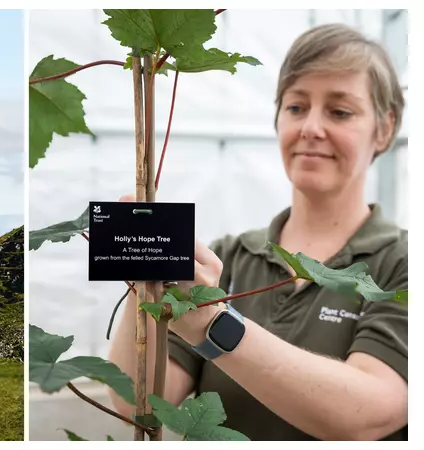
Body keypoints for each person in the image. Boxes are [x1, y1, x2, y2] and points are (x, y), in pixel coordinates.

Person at [108, 23, 407, 441]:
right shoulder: (228, 257)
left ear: (385, 128)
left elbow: (369, 413)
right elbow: (139, 404)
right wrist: (143, 274)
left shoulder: (403, 262)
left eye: (340, 112)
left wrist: (213, 324)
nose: (311, 128)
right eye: (296, 107)